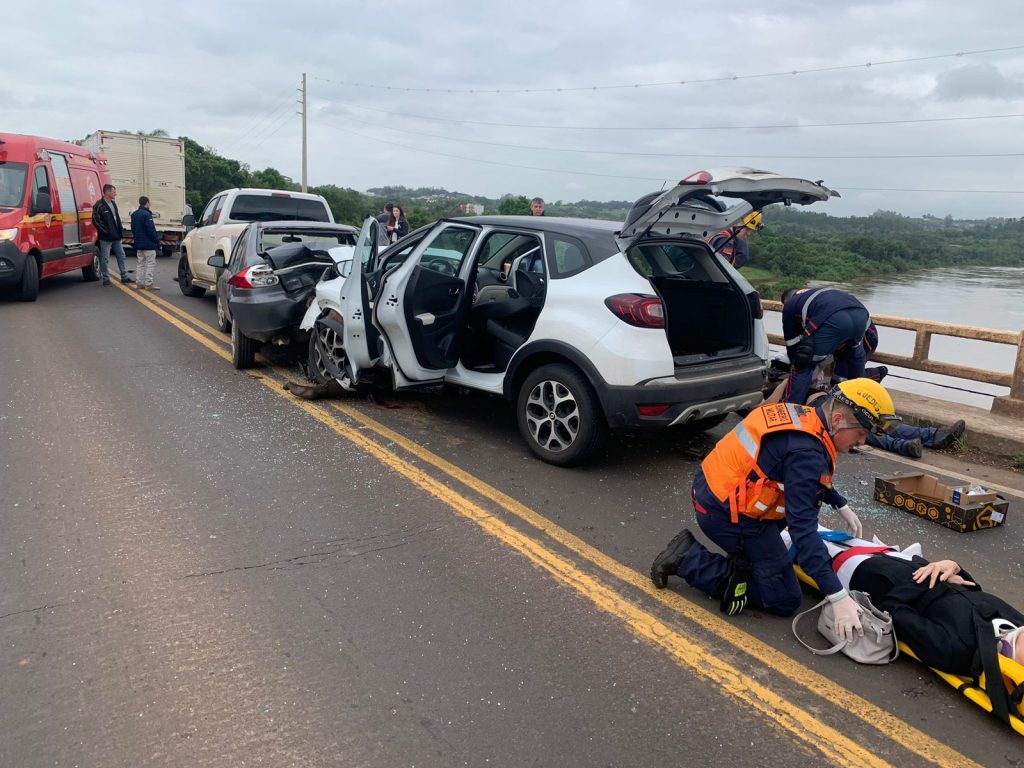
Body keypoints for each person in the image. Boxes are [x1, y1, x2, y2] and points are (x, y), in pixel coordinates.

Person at [650, 378, 901, 642]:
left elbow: (789, 471)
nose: (862, 441)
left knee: (774, 560)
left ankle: (749, 560)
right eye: (860, 433)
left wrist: (838, 501)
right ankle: (689, 558)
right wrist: (838, 596)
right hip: (726, 514)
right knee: (785, 598)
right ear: (838, 419)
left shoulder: (803, 416)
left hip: (716, 490)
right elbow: (803, 533)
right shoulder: (806, 453)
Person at [784, 526, 1024, 720]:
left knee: (797, 538)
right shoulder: (1015, 624)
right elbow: (974, 594)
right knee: (817, 526)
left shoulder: (956, 649)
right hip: (901, 561)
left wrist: (928, 579)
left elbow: (894, 610)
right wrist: (953, 566)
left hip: (874, 576)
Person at [781, 286, 870, 405]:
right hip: (861, 315)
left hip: (835, 319)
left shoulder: (790, 304)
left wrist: (795, 362)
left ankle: (789, 408)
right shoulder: (818, 292)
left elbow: (791, 342)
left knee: (803, 364)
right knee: (855, 356)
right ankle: (859, 401)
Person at [93, 184, 133, 286]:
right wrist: (105, 231)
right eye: (114, 192)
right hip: (106, 238)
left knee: (121, 255)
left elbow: (116, 219)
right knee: (105, 258)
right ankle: (106, 278)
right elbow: (95, 221)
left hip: (116, 236)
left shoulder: (113, 203)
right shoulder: (99, 205)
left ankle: (124, 277)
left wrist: (120, 231)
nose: (115, 194)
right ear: (107, 192)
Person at [130, 196, 161, 291]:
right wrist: (156, 240)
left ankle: (139, 283)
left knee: (140, 263)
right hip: (148, 244)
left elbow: (132, 228)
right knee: (150, 263)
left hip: (139, 243)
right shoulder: (147, 215)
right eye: (149, 202)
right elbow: (150, 230)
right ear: (147, 203)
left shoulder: (134, 214)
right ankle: (149, 283)